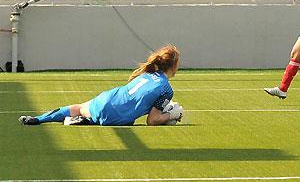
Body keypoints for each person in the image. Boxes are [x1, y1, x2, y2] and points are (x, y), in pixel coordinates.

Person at [19, 46, 183, 126]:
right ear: (174, 66)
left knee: (78, 107)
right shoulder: (166, 89)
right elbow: (152, 120)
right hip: (117, 115)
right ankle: (85, 121)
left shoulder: (147, 73)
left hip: (107, 98)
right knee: (126, 121)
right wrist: (172, 115)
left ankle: (39, 119)